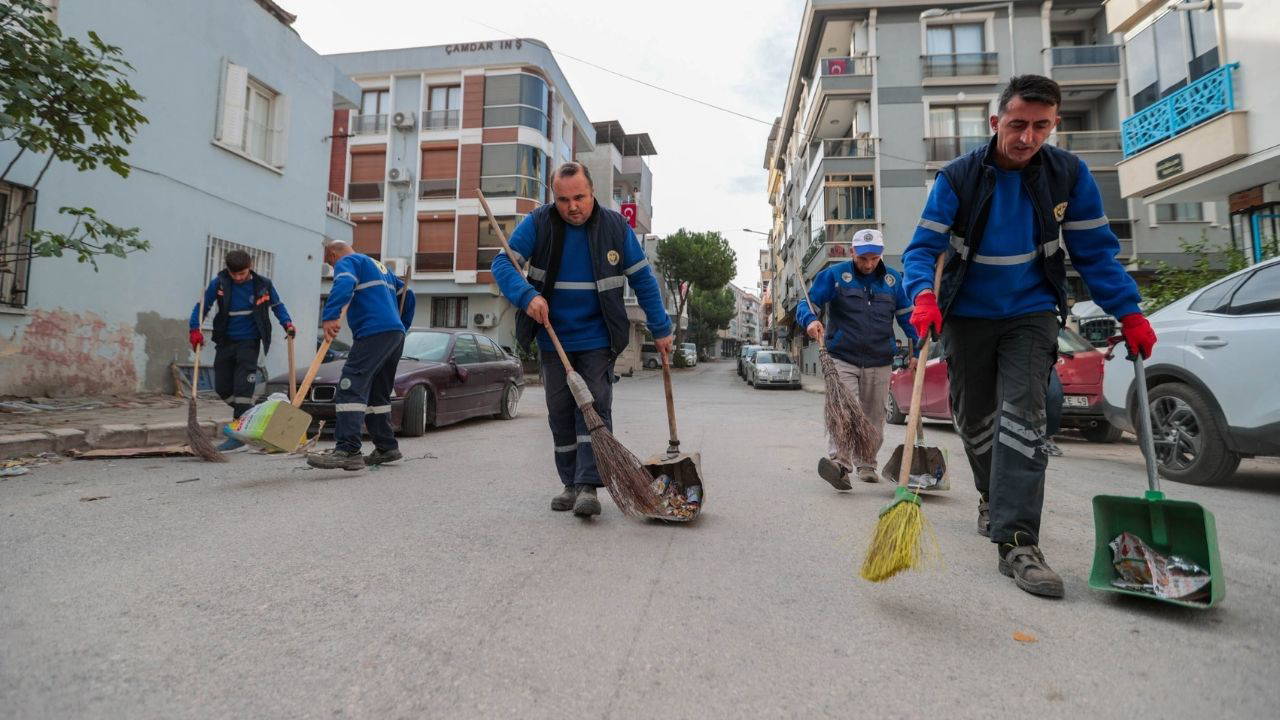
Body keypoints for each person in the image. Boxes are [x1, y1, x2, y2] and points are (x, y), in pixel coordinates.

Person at [903, 75, 1157, 599]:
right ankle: (991, 498)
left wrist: (1128, 312)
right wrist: (922, 300)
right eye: (1017, 125)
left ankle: (1018, 543)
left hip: (1032, 310)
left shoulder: (1068, 174)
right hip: (967, 313)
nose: (1027, 137)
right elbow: (922, 250)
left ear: (1054, 124)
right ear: (996, 122)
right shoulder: (958, 178)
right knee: (973, 418)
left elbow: (1094, 252)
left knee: (1023, 415)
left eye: (1041, 126)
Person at [492, 162, 673, 517]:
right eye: (563, 199)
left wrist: (662, 327)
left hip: (597, 337)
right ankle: (570, 483)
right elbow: (502, 265)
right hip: (552, 336)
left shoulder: (614, 226)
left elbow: (643, 280)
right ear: (553, 197)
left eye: (580, 197)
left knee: (594, 407)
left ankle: (589, 485)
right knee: (560, 413)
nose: (572, 206)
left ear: (593, 193)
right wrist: (527, 297)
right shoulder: (538, 223)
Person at [796, 229, 919, 488]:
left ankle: (867, 463)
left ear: (880, 255)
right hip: (843, 357)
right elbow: (807, 304)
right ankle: (840, 464)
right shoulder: (834, 276)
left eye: (874, 258)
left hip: (880, 359)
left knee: (874, 415)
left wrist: (917, 351)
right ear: (853, 252)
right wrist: (810, 321)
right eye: (863, 258)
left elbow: (909, 320)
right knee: (843, 410)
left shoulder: (893, 281)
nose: (868, 264)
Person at [306, 241, 415, 471]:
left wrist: (330, 315)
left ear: (333, 254)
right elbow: (408, 294)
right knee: (378, 393)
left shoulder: (349, 261)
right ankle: (387, 447)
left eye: (329, 262)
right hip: (394, 334)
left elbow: (344, 282)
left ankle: (348, 450)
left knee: (350, 384)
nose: (332, 267)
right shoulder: (378, 266)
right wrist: (401, 326)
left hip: (373, 332)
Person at [189, 249, 294, 452]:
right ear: (228, 270)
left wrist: (287, 323)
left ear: (250, 267)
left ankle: (238, 436)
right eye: (234, 274)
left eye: (242, 274)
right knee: (222, 388)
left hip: (250, 341)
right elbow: (201, 307)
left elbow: (278, 305)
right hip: (225, 340)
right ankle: (254, 414)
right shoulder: (219, 283)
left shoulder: (263, 284)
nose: (238, 278)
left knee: (243, 389)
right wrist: (194, 329)